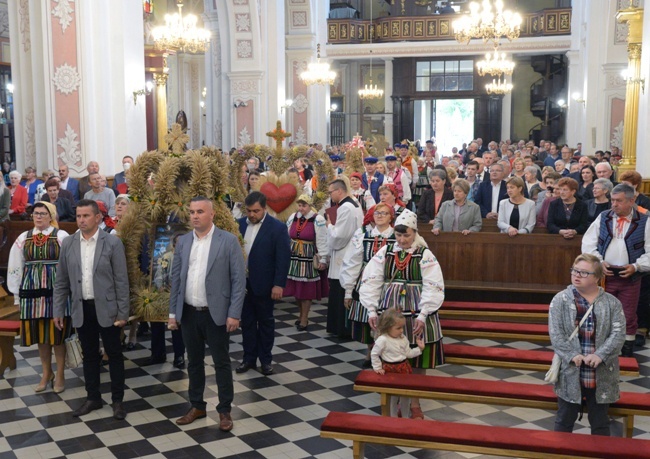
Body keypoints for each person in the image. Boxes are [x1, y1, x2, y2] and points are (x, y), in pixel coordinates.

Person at [168, 197, 246, 431]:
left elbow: (238, 280)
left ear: (212, 214)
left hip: (217, 313)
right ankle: (197, 406)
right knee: (194, 362)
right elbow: (177, 279)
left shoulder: (228, 241)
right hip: (190, 312)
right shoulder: (183, 242)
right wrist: (173, 313)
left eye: (200, 211)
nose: (194, 216)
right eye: (191, 211)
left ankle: (224, 410)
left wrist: (234, 313)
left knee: (221, 362)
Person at [359, 209, 445, 419]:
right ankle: (393, 399)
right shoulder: (386, 252)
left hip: (416, 312)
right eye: (399, 235)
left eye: (407, 235)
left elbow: (433, 284)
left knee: (417, 359)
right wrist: (371, 309)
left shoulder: (425, 254)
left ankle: (414, 402)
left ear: (415, 233)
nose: (402, 239)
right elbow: (372, 279)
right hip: (390, 310)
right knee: (390, 355)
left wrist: (424, 314)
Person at [53, 199, 130, 420]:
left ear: (97, 218)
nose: (81, 220)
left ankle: (117, 401)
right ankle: (93, 398)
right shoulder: (68, 243)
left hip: (107, 308)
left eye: (86, 216)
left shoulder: (112, 243)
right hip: (81, 307)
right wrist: (58, 310)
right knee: (89, 355)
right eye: (78, 216)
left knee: (114, 354)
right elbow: (62, 281)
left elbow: (121, 281)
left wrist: (123, 313)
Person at [549, 253, 625, 436]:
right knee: (564, 421)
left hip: (600, 372)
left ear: (597, 278)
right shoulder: (561, 299)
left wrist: (600, 355)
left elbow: (618, 333)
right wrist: (571, 355)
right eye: (575, 271)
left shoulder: (611, 303)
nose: (577, 275)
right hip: (570, 370)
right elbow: (556, 333)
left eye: (584, 273)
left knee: (600, 423)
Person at [8, 202, 70, 393]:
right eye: (36, 213)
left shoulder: (62, 236)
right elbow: (15, 267)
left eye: (43, 213)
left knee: (57, 334)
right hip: (32, 292)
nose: (39, 217)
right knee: (41, 335)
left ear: (51, 216)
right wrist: (17, 296)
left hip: (56, 291)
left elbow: (70, 264)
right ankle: (46, 373)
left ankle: (60, 373)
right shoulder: (23, 237)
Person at [582, 184, 650, 357]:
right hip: (605, 275)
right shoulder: (603, 217)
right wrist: (599, 262)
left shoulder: (645, 220)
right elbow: (588, 243)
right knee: (602, 312)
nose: (614, 204)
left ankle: (626, 351)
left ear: (632, 200)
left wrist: (636, 266)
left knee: (627, 313)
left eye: (619, 201)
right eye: (612, 200)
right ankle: (601, 351)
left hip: (631, 276)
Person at [236, 191, 291, 375]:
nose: (252, 215)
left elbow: (283, 259)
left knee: (266, 323)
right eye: (249, 211)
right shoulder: (239, 225)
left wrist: (279, 284)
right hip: (243, 284)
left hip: (266, 284)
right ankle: (248, 358)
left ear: (264, 209)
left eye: (256, 211)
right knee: (247, 323)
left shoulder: (277, 228)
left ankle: (265, 360)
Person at [340, 203, 395, 367]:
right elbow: (352, 261)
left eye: (384, 213)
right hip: (366, 281)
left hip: (388, 282)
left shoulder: (396, 234)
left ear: (391, 216)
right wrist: (348, 291)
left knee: (388, 317)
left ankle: (387, 352)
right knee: (366, 319)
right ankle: (371, 350)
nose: (380, 216)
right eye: (377, 213)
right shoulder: (363, 234)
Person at [284, 194, 329, 331]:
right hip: (294, 256)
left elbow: (322, 240)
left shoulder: (317, 219)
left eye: (304, 205)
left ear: (310, 206)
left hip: (308, 257)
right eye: (300, 205)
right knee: (296, 288)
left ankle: (305, 317)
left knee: (306, 289)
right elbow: (286, 235)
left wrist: (323, 258)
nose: (301, 208)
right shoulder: (293, 217)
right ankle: (300, 314)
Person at [326, 179, 364, 338]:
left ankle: (342, 329)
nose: (330, 195)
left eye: (331, 192)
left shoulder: (346, 207)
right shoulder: (354, 204)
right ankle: (339, 327)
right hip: (348, 251)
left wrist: (329, 225)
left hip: (344, 253)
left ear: (339, 191)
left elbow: (338, 236)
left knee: (340, 290)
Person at [370, 308, 425, 417]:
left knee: (405, 395)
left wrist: (420, 349)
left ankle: (405, 417)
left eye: (402, 328)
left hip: (404, 368)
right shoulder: (383, 340)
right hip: (390, 370)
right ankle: (393, 417)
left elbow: (408, 353)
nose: (401, 331)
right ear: (387, 327)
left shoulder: (402, 338)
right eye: (398, 328)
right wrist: (377, 368)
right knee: (393, 397)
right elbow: (374, 354)